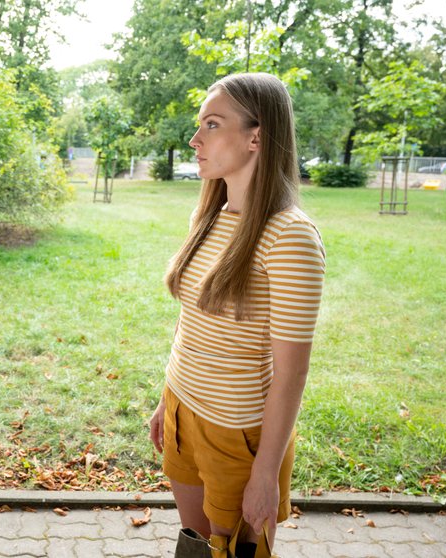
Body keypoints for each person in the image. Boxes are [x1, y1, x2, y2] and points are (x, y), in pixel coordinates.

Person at [148, 72, 325, 557]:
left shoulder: (290, 237)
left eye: (211, 124)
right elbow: (191, 319)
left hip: (237, 434)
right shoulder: (210, 214)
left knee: (234, 552)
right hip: (183, 409)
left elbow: (292, 373)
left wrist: (265, 472)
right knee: (198, 548)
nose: (194, 139)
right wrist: (168, 400)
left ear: (256, 138)